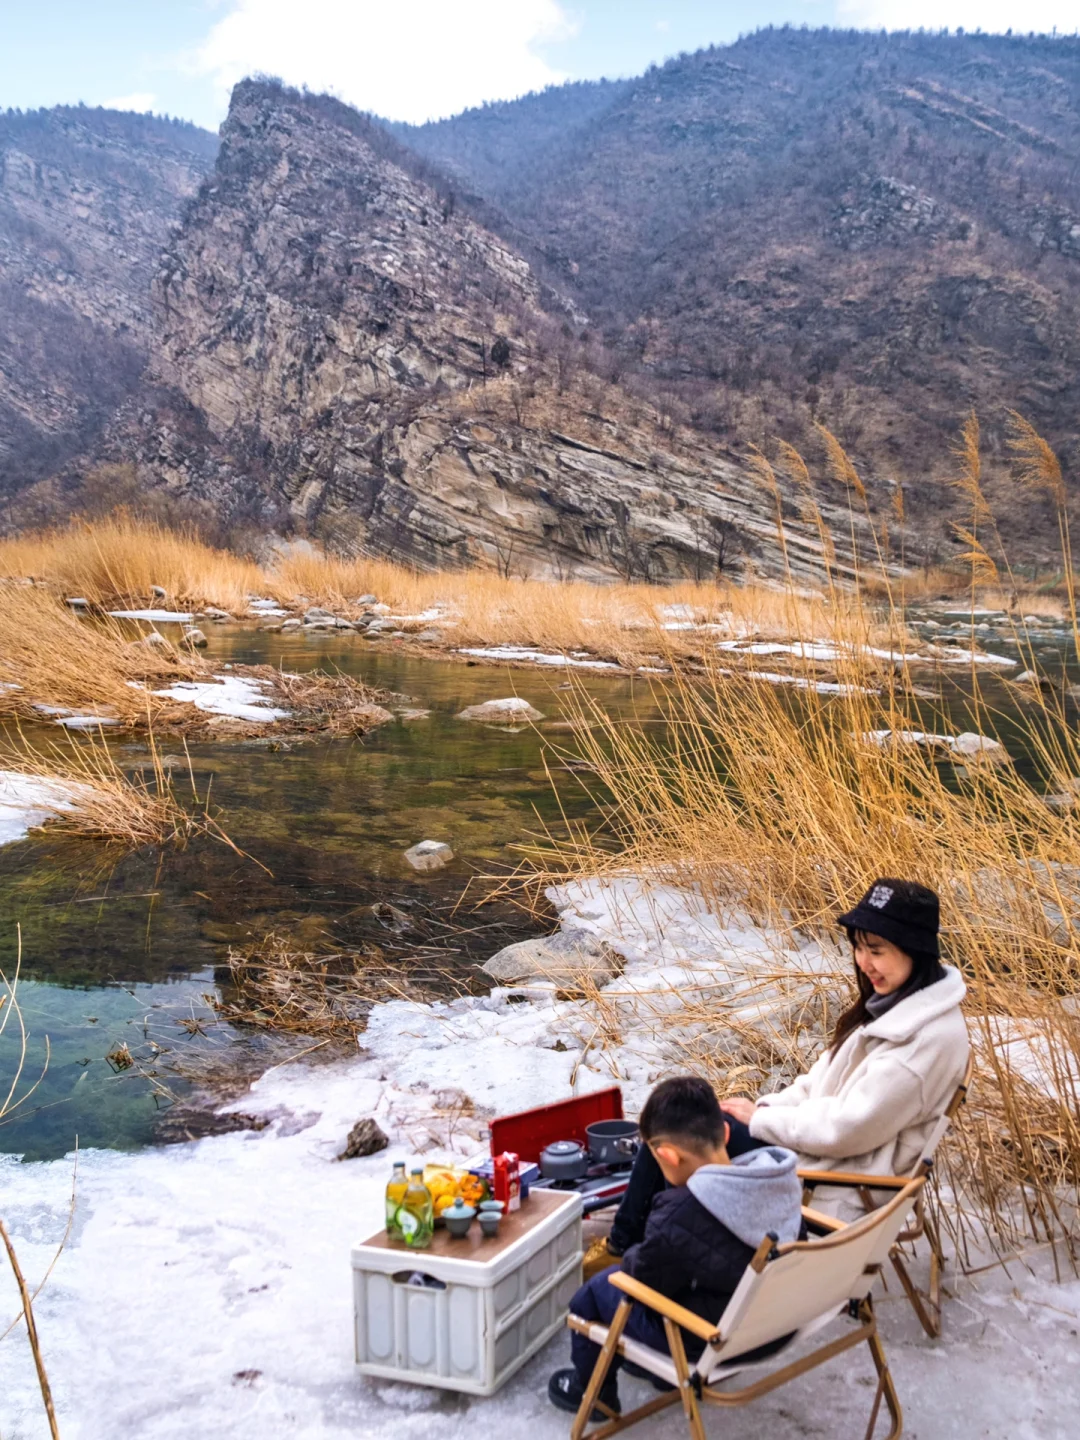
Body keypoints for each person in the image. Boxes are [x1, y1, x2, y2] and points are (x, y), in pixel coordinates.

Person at [585, 877, 970, 1278]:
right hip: (820, 1148)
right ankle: (641, 1241)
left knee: (674, 1135)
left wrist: (762, 1121)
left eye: (876, 950)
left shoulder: (922, 1041)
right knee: (680, 1121)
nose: (863, 961)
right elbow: (818, 1080)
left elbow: (848, 1129)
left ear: (916, 950)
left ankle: (641, 1253)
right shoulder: (899, 1006)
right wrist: (764, 1109)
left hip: (837, 1172)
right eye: (858, 947)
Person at [548, 1075, 802, 1421]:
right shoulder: (774, 1177)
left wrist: (637, 1251)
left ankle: (593, 1396)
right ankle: (655, 1370)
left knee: (594, 1294)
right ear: (725, 1134)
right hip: (777, 1323)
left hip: (715, 1341)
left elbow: (643, 1281)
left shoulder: (680, 1215)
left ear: (666, 1155)